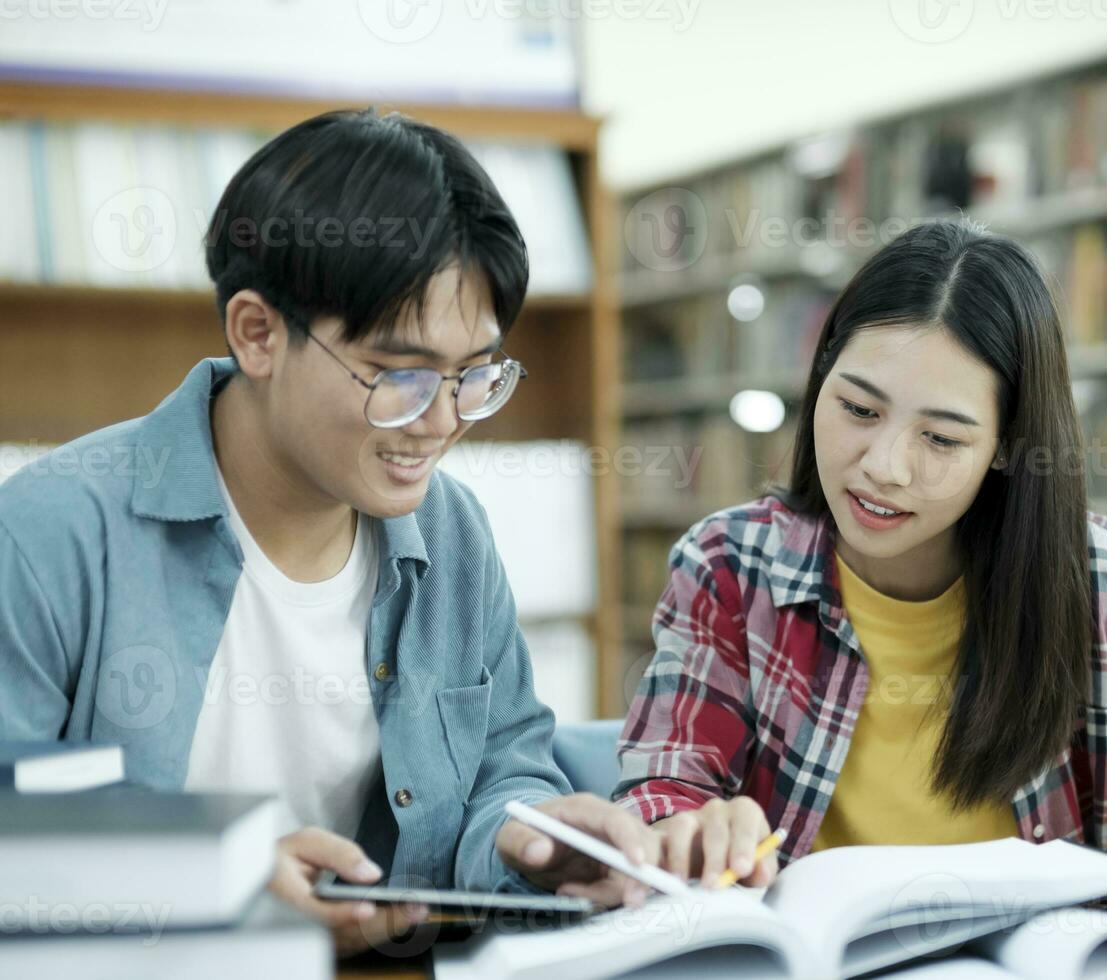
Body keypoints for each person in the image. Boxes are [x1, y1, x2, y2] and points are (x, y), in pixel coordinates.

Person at [0, 108, 654, 956]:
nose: (443, 423)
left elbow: (504, 763)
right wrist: (211, 876)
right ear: (258, 333)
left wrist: (533, 842)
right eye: (399, 376)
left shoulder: (451, 532)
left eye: (474, 375)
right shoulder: (53, 531)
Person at [614, 220, 1107, 907]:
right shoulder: (730, 568)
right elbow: (661, 790)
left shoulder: (1093, 577)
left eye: (939, 437)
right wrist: (690, 825)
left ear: (1004, 446)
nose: (883, 467)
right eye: (856, 408)